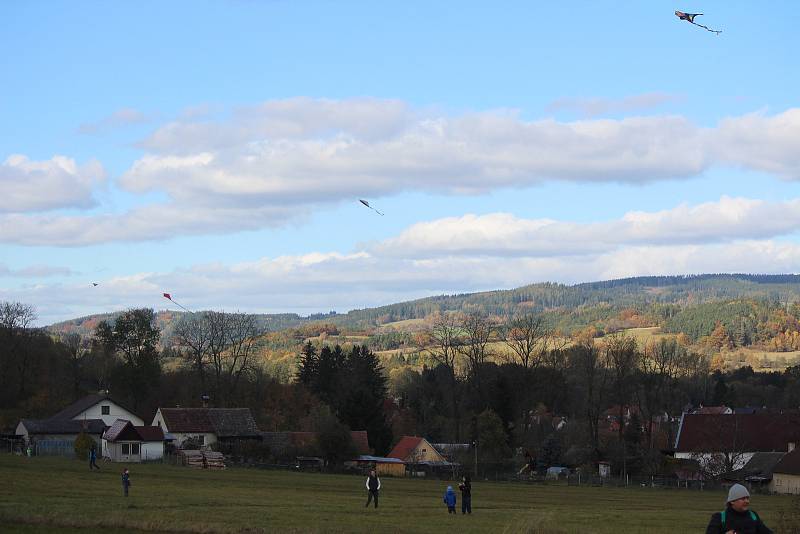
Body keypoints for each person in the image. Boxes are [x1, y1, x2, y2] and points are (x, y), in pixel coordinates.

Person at [705, 483, 773, 534]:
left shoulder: (753, 516)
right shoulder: (719, 518)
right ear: (732, 501)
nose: (747, 501)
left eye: (747, 498)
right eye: (743, 499)